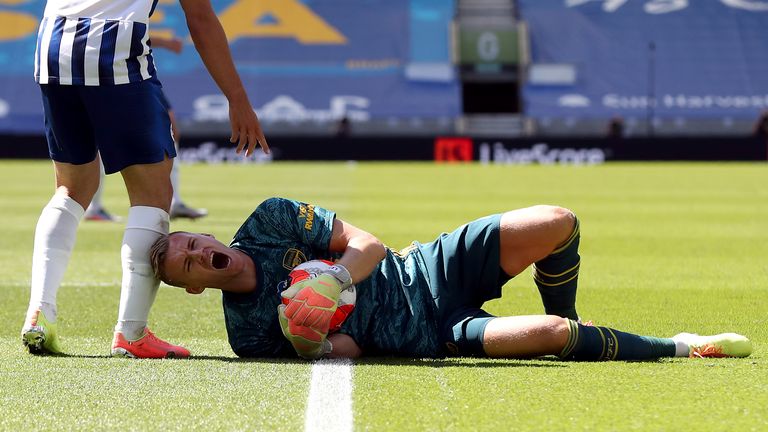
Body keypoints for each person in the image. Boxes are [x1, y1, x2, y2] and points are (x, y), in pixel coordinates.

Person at [148, 198, 752, 361]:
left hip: (427, 266)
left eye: (196, 243)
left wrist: (333, 278)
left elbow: (369, 245)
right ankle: (683, 345)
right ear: (192, 287)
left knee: (557, 223)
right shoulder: (247, 337)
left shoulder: (269, 220)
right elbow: (352, 348)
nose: (201, 254)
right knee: (549, 338)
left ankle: (573, 313)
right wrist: (314, 341)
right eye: (188, 264)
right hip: (433, 333)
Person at [22, 0, 269, 358]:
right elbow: (199, 18)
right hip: (111, 46)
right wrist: (238, 99)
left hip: (53, 44)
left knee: (72, 189)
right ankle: (131, 333)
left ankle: (39, 313)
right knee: (153, 193)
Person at [85, 36, 207, 222]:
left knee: (169, 133)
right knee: (101, 143)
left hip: (130, 77)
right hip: (121, 80)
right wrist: (167, 43)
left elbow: (136, 33)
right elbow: (130, 31)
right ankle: (94, 207)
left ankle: (174, 201)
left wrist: (165, 43)